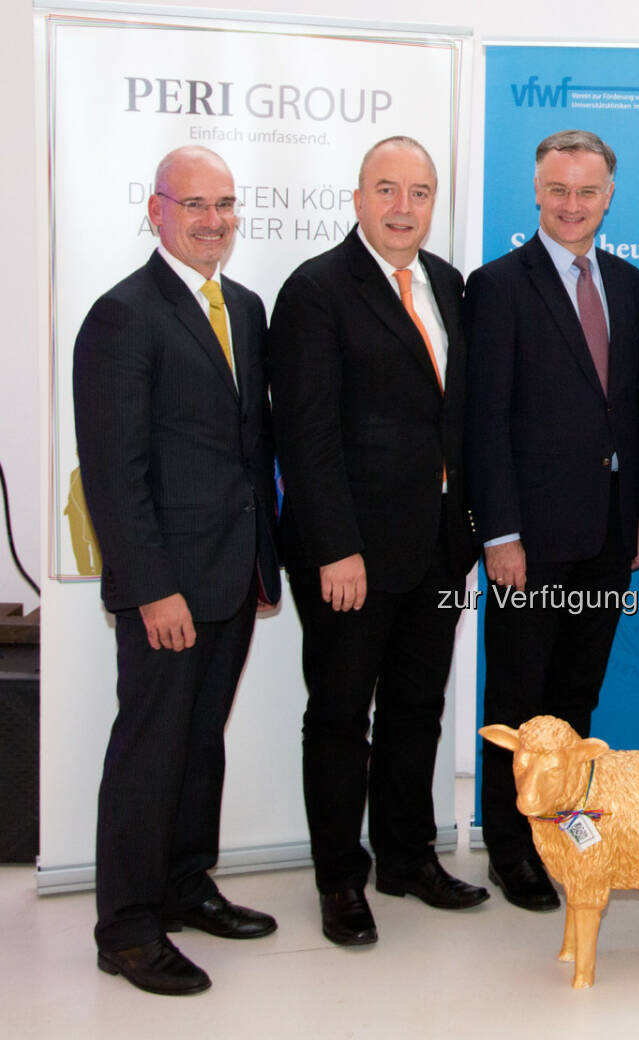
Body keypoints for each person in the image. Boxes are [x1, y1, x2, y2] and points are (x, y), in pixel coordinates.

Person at [268, 136, 485, 948]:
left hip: (434, 545)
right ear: (358, 199)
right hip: (350, 556)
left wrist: (466, 531)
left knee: (415, 710)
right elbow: (305, 434)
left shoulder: (450, 286)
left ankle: (405, 857)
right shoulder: (317, 290)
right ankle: (340, 881)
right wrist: (334, 548)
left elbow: (455, 419)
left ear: (434, 203)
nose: (403, 208)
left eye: (419, 193)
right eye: (387, 190)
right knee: (338, 717)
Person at [74, 145, 280, 995]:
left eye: (225, 204)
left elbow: (248, 448)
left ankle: (186, 885)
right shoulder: (124, 314)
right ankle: (125, 926)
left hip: (233, 575)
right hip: (169, 585)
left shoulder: (246, 306)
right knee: (150, 753)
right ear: (156, 211)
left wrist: (265, 562)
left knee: (200, 746)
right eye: (193, 205)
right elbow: (114, 473)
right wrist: (153, 587)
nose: (212, 220)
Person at [465, 130, 639, 911]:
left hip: (610, 533)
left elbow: (634, 412)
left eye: (587, 191)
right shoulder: (498, 284)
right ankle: (510, 849)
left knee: (578, 700)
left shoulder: (629, 281)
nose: (572, 205)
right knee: (517, 703)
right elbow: (483, 422)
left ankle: (565, 830)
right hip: (530, 543)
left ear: (609, 196)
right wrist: (499, 533)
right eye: (558, 190)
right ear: (536, 194)